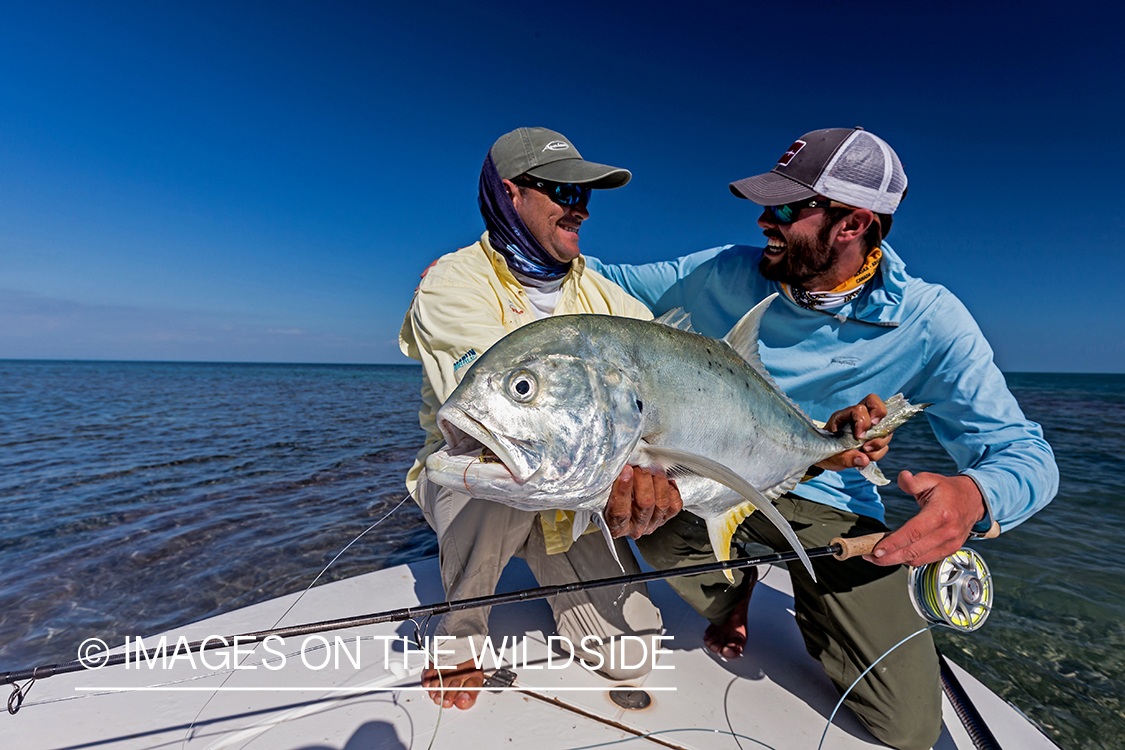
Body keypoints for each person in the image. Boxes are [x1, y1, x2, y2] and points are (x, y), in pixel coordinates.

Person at [587, 127, 1059, 750]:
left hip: (831, 508)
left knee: (909, 726)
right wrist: (484, 266)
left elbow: (1026, 454)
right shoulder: (722, 272)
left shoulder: (929, 322)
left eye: (785, 209)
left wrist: (975, 497)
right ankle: (732, 598)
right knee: (640, 516)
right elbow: (594, 279)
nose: (763, 221)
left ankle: (803, 594)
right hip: (712, 477)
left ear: (853, 223)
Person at [399, 127, 681, 710]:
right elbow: (504, 417)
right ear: (510, 194)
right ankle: (458, 634)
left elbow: (671, 401)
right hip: (487, 480)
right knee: (495, 466)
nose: (579, 207)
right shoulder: (452, 284)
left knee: (633, 656)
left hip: (575, 495)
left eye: (585, 194)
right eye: (560, 189)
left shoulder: (615, 304)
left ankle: (542, 551)